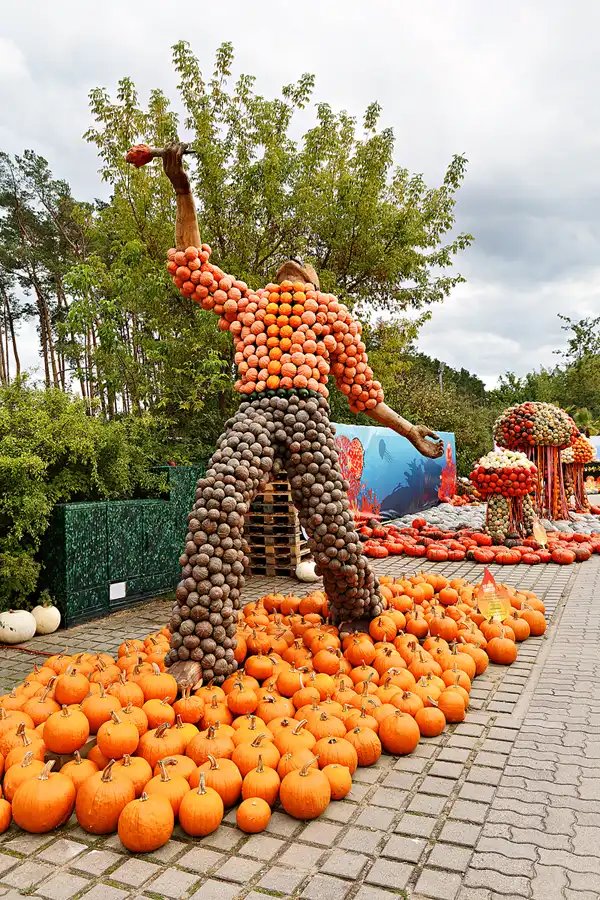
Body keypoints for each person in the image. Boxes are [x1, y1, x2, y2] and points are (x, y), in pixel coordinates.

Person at [158, 142, 443, 685]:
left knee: (331, 524)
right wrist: (182, 190)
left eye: (304, 269)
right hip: (255, 413)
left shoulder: (332, 313)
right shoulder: (251, 304)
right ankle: (200, 646)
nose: (294, 265)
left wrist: (408, 430)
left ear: (315, 285)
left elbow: (361, 392)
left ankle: (358, 608)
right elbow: (193, 265)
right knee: (216, 504)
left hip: (309, 416)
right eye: (287, 267)